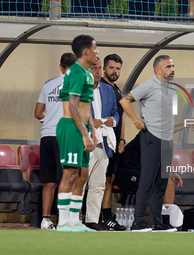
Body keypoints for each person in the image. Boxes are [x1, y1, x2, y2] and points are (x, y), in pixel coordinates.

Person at [120, 55, 187, 232]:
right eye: (168, 67)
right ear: (157, 70)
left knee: (162, 183)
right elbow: (124, 100)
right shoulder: (149, 85)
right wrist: (136, 121)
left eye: (172, 66)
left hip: (167, 140)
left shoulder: (172, 88)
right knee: (147, 181)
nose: (172, 69)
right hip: (151, 137)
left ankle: (156, 222)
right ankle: (138, 222)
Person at [56, 35, 98, 232]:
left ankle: (75, 221)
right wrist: (83, 133)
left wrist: (93, 131)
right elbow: (73, 106)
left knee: (82, 175)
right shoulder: (76, 73)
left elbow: (85, 106)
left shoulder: (87, 73)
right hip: (72, 127)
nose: (97, 53)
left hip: (83, 128)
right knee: (70, 173)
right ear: (86, 51)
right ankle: (62, 222)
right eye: (95, 49)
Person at [34, 52, 77, 230]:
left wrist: (49, 119)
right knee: (66, 180)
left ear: (61, 66)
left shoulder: (48, 85)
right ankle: (64, 220)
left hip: (46, 137)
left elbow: (37, 113)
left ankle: (45, 220)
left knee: (49, 181)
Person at [82, 58, 120, 230]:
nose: (97, 72)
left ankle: (92, 220)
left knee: (98, 184)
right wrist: (91, 122)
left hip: (104, 142)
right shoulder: (79, 89)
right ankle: (73, 220)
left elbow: (115, 112)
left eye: (98, 68)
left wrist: (113, 120)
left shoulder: (108, 89)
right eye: (94, 68)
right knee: (81, 182)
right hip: (86, 142)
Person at [100, 54, 127, 231]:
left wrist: (122, 140)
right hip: (100, 141)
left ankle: (107, 217)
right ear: (104, 68)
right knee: (98, 181)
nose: (114, 71)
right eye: (111, 68)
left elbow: (122, 117)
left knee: (109, 179)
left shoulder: (117, 90)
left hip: (114, 142)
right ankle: (98, 216)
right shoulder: (99, 87)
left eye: (117, 68)